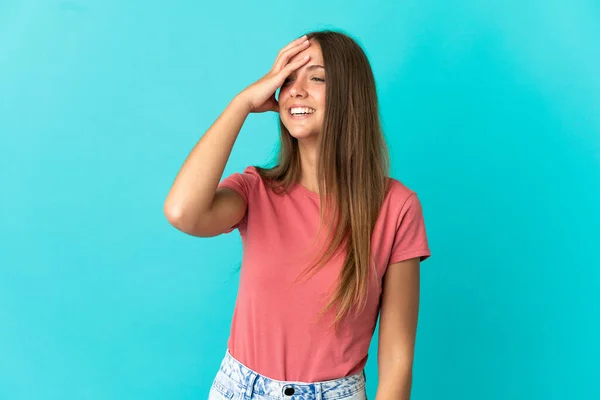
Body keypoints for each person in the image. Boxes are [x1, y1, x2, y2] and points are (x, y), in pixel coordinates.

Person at [164, 30, 431, 400]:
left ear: (350, 95)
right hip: (239, 389)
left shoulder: (396, 207)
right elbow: (182, 213)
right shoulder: (255, 190)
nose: (295, 91)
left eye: (317, 78)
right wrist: (241, 103)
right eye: (287, 80)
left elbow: (397, 359)